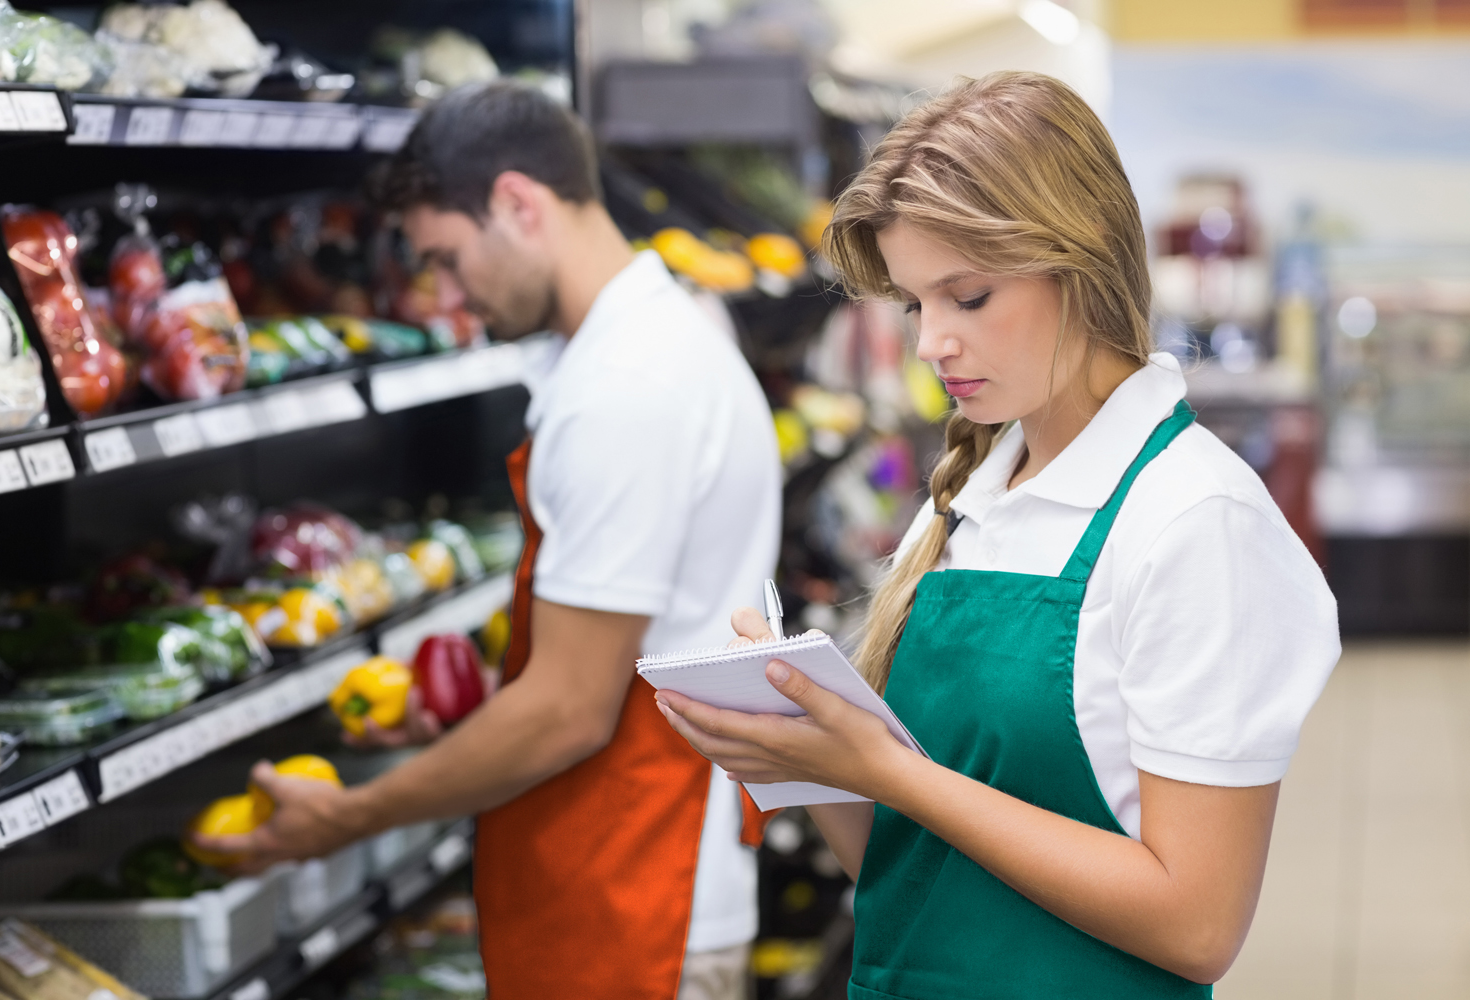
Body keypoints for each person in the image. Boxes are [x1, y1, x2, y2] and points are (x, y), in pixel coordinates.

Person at [655, 71, 1340, 998]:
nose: (931, 342)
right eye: (913, 305)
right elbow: (907, 875)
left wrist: (889, 773)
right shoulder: (966, 505)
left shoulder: (1193, 522)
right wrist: (804, 755)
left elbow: (1198, 924)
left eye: (967, 297)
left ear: (1081, 265)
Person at [196, 82, 781, 1000]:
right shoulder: (660, 339)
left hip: (638, 893)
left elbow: (568, 710)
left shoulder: (626, 387)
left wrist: (346, 818)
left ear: (517, 203)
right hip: (619, 870)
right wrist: (475, 722)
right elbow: (622, 659)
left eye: (447, 256)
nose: (448, 293)